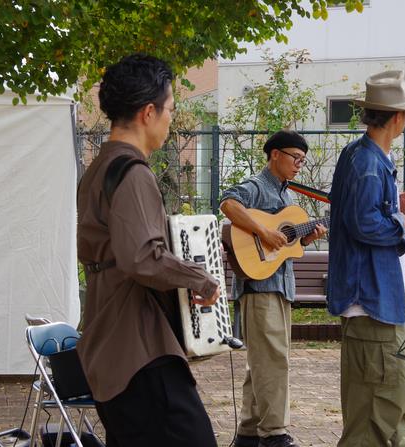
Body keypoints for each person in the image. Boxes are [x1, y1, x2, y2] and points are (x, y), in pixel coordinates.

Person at [76, 54, 220, 447]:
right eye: (169, 109)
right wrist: (200, 278)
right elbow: (141, 257)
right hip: (138, 348)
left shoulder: (98, 169)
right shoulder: (132, 172)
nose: (171, 120)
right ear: (148, 112)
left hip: (109, 342)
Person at [326, 70, 405, 447]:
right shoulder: (367, 163)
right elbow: (363, 224)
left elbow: (362, 212)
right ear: (398, 117)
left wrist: (392, 207)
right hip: (372, 302)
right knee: (375, 410)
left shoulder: (363, 155)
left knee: (404, 382)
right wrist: (404, 219)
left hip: (388, 297)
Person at [220, 130, 328, 447]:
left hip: (280, 286)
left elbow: (286, 246)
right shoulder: (257, 186)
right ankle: (274, 434)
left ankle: (249, 433)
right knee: (274, 360)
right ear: (275, 155)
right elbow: (228, 202)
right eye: (295, 158)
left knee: (262, 362)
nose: (298, 165)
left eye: (302, 160)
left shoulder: (288, 198)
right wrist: (264, 232)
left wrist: (304, 239)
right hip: (259, 286)